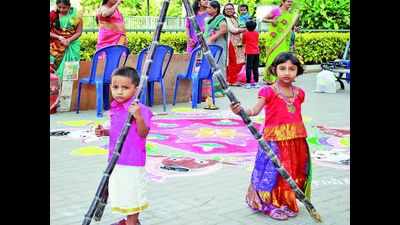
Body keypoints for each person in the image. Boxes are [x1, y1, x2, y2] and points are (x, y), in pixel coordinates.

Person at [230, 52, 312, 221]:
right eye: (282, 68)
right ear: (275, 70)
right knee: (273, 173)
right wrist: (241, 111)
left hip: (296, 139)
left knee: (292, 172)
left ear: (298, 72)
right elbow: (254, 111)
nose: (287, 72)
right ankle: (269, 205)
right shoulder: (268, 91)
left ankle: (285, 202)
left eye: (292, 69)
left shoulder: (300, 93)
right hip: (274, 141)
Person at [95, 67, 153, 225]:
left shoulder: (140, 109)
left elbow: (143, 133)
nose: (119, 91)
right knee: (121, 192)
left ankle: (132, 222)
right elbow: (118, 132)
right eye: (115, 87)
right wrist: (105, 132)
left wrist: (138, 116)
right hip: (116, 159)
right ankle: (128, 220)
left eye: (125, 88)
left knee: (132, 194)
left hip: (132, 161)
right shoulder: (115, 108)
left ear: (136, 89)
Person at [261, 0, 298, 84]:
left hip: (285, 40)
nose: (290, 3)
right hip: (274, 39)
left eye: (291, 2)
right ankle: (270, 78)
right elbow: (263, 19)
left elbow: (289, 27)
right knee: (273, 57)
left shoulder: (290, 13)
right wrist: (272, 21)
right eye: (288, 1)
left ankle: (279, 78)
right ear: (283, 2)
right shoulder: (276, 10)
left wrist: (295, 29)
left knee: (282, 59)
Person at [50, 0, 82, 80]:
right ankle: (56, 90)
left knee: (70, 75)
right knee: (54, 73)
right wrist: (59, 37)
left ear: (69, 6)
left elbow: (79, 32)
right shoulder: (53, 15)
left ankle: (68, 90)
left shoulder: (76, 16)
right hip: (56, 47)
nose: (61, 9)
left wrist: (69, 40)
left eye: (64, 7)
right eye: (59, 7)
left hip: (72, 46)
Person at [204, 0, 228, 97]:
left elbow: (224, 29)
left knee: (219, 66)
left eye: (209, 7)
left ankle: (220, 90)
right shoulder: (209, 18)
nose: (207, 9)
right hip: (210, 45)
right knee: (211, 66)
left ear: (216, 9)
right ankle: (210, 89)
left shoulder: (220, 18)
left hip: (218, 45)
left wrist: (212, 38)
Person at [223, 3, 246, 86]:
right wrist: (243, 30)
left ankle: (232, 79)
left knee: (239, 61)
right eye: (227, 9)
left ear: (234, 10)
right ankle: (231, 80)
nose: (229, 10)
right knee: (232, 61)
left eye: (231, 8)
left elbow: (240, 26)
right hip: (230, 42)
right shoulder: (225, 18)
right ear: (224, 11)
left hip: (238, 42)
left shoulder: (235, 18)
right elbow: (233, 30)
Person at [242, 19, 260, 89]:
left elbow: (243, 42)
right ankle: (256, 82)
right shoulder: (257, 33)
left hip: (249, 53)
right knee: (255, 68)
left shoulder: (245, 34)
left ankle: (248, 83)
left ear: (246, 27)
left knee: (248, 68)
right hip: (257, 52)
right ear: (255, 27)